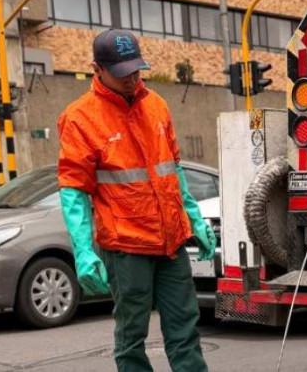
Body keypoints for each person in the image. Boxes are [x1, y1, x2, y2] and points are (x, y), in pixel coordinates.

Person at [56, 29, 216, 371]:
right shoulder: (80, 118)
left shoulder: (156, 105)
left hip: (171, 241)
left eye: (135, 69)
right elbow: (73, 190)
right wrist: (83, 250)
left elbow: (173, 170)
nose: (131, 78)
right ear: (97, 69)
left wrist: (194, 218)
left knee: (185, 328)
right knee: (132, 336)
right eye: (121, 72)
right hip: (126, 247)